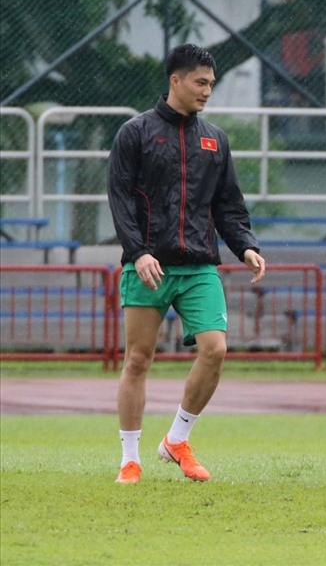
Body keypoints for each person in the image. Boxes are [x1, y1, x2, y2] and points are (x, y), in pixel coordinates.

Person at [108, 44, 266, 484]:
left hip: (199, 267)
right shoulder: (135, 133)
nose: (207, 91)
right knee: (138, 359)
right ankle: (130, 459)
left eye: (211, 84)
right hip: (148, 266)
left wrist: (245, 245)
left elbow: (228, 205)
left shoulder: (215, 138)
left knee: (215, 349)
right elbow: (119, 202)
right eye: (200, 82)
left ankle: (177, 440)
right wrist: (138, 252)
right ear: (175, 80)